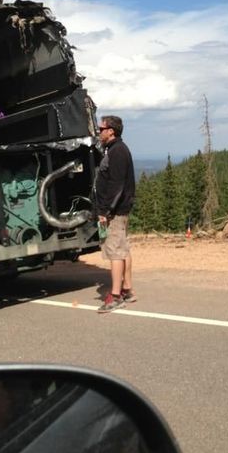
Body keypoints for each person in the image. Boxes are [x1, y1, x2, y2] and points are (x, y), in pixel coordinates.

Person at [95, 115, 136, 313]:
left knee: (115, 252)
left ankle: (116, 296)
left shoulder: (117, 151)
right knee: (123, 248)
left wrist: (105, 211)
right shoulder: (115, 149)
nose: (98, 131)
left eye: (101, 128)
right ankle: (127, 289)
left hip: (116, 211)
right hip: (119, 209)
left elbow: (117, 185)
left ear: (111, 130)